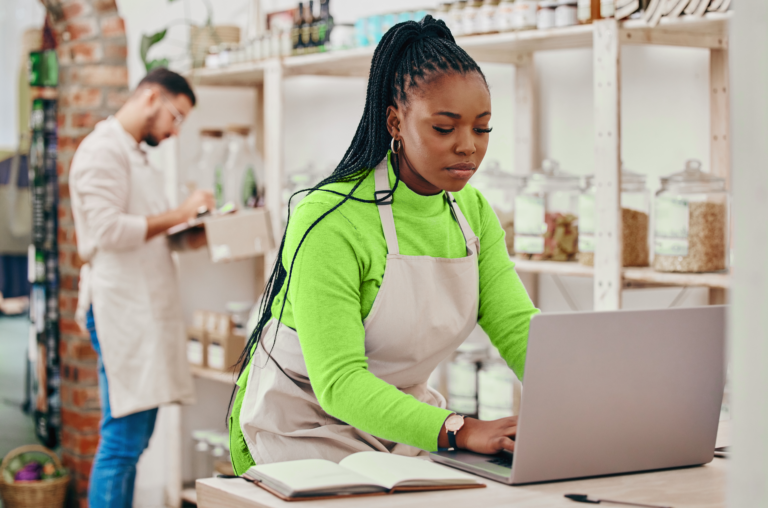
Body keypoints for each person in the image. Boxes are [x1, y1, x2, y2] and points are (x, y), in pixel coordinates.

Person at [229, 16, 539, 472]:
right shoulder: (329, 219)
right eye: (444, 128)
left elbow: (518, 329)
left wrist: (585, 402)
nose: (468, 146)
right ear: (395, 121)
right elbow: (339, 382)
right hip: (298, 429)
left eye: (482, 128)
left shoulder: (471, 213)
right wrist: (462, 429)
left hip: (400, 423)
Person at [69, 68, 214, 507]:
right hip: (120, 308)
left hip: (141, 307)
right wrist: (180, 211)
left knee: (133, 441)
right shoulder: (100, 152)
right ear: (152, 98)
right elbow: (109, 232)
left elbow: (148, 233)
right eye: (177, 116)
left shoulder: (134, 155)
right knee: (122, 441)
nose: (175, 131)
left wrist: (197, 230)